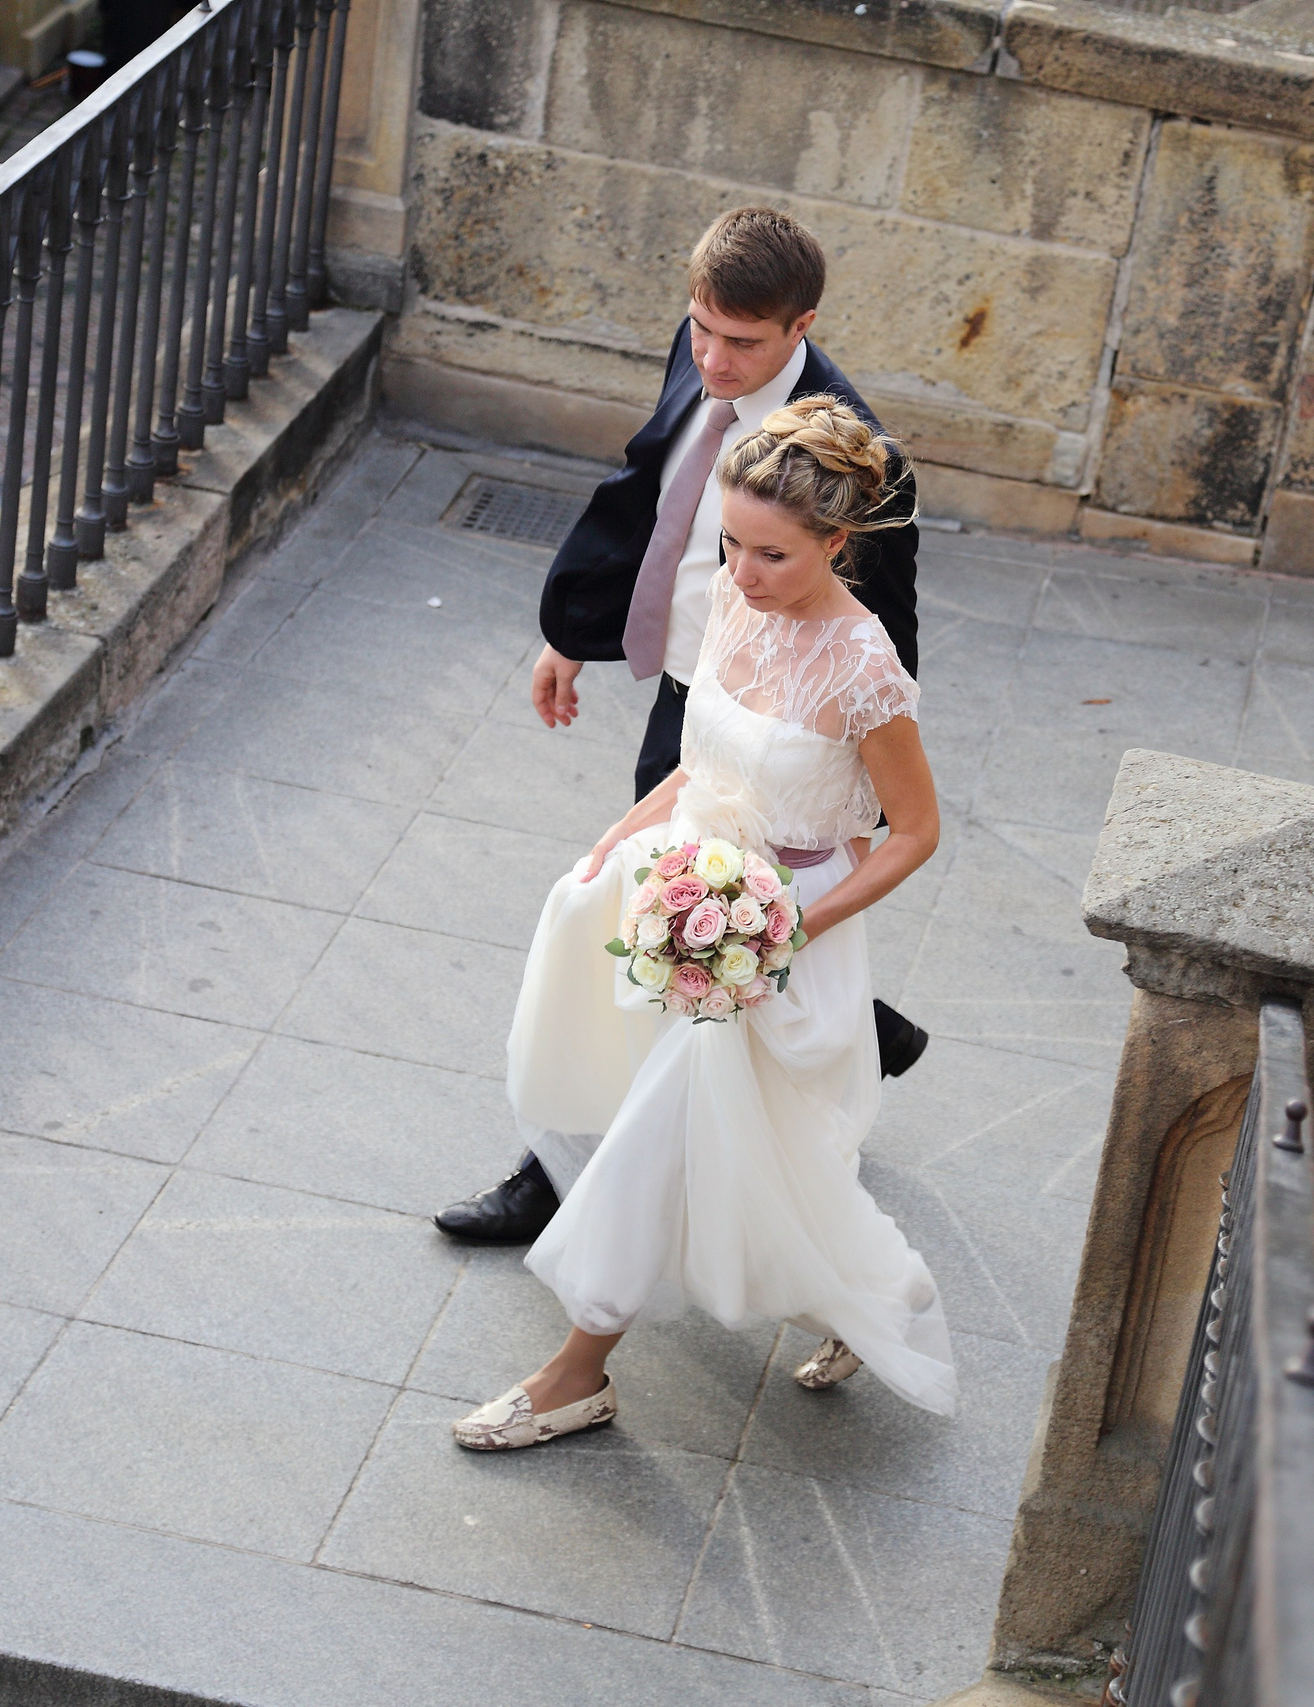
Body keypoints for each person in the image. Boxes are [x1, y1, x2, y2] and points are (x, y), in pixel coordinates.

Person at [452, 397, 956, 1449]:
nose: (741, 572)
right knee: (738, 1150)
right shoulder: (734, 600)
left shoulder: (866, 671)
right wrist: (618, 838)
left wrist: (794, 933)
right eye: (729, 543)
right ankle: (882, 1292)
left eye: (771, 553)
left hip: (779, 932)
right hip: (683, 883)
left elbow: (913, 833)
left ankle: (577, 1371)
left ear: (836, 541)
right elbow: (703, 752)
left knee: (664, 1134)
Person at [434, 207, 930, 1246]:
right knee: (650, 918)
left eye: (740, 343)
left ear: (801, 326)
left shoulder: (864, 461)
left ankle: (561, 1181)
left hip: (776, 718)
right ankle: (846, 1033)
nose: (711, 357)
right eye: (699, 327)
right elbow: (642, 489)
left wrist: (862, 792)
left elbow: (886, 634)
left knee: (669, 943)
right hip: (691, 699)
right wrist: (570, 630)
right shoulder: (700, 351)